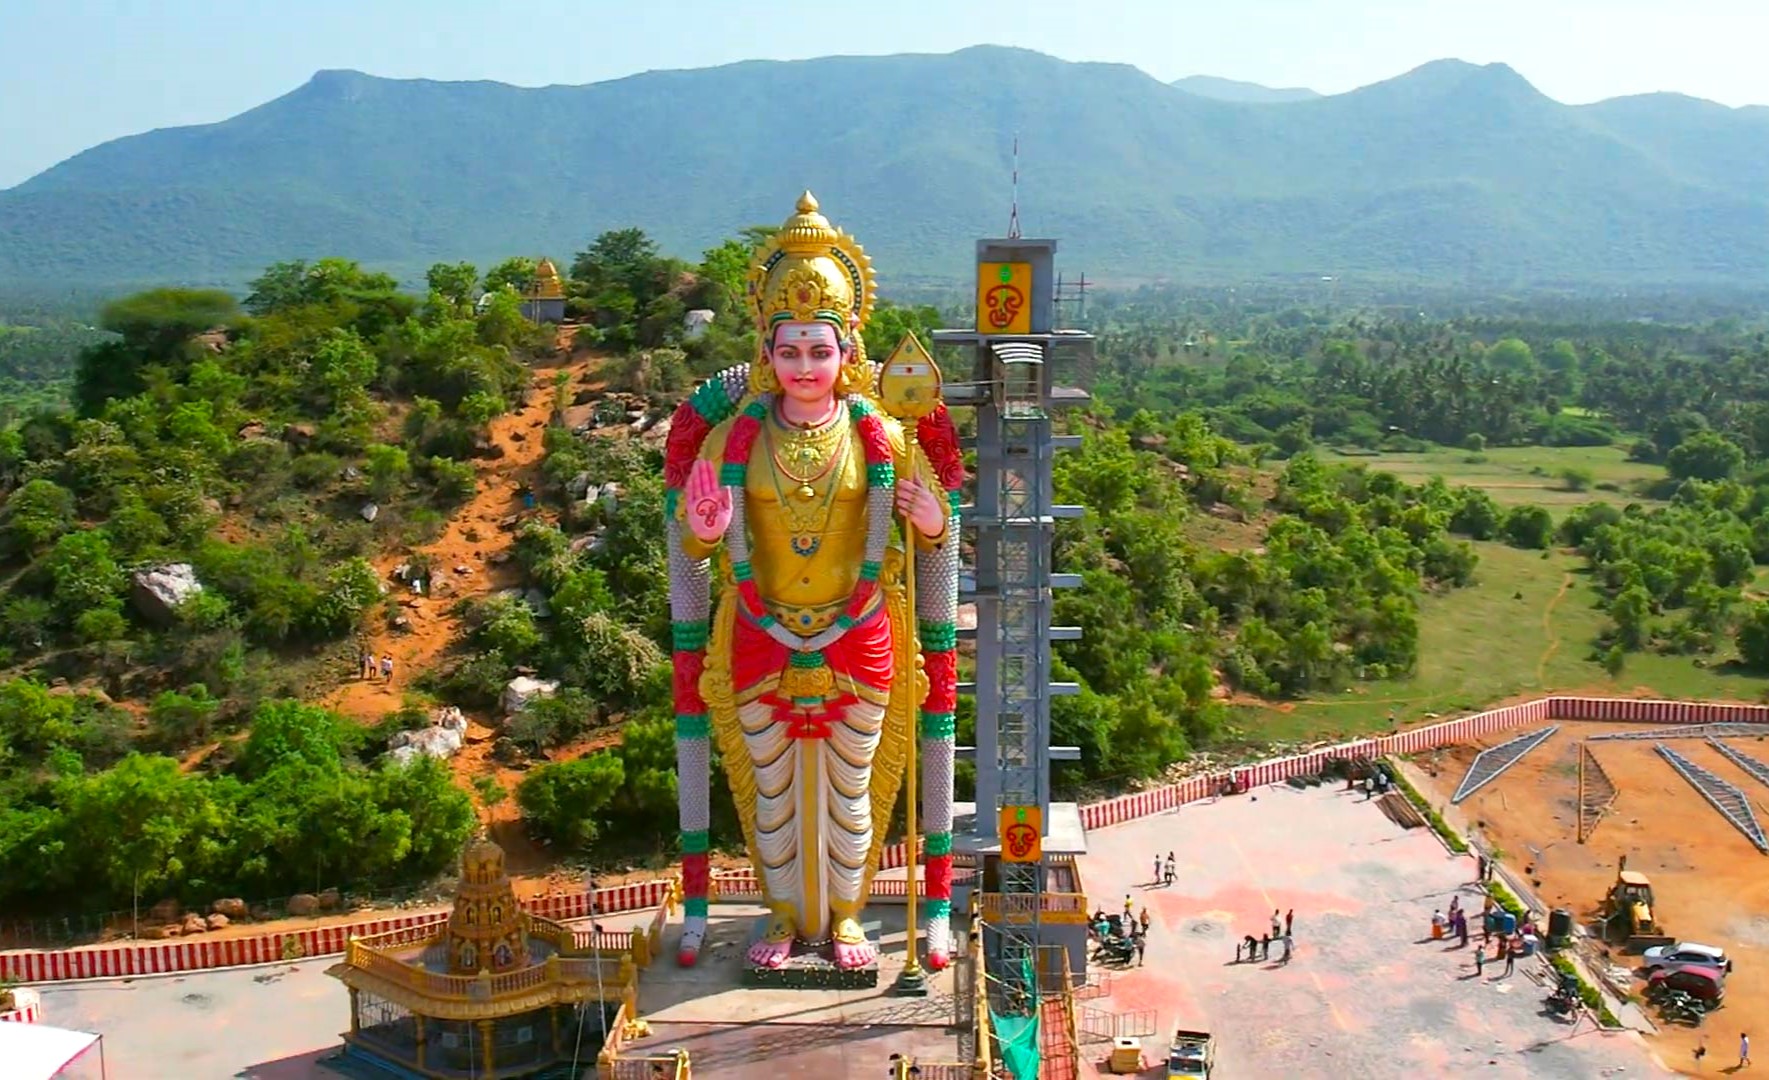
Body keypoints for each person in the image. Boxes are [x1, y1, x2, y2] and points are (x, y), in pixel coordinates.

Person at [667, 194, 961, 974]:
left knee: (850, 788)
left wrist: (932, 519)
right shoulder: (733, 437)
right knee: (771, 792)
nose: (804, 368)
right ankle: (784, 914)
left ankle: (846, 918)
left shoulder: (884, 434)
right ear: (766, 351)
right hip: (759, 629)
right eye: (790, 351)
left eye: (819, 351)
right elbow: (695, 539)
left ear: (846, 348)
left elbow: (933, 535)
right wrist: (702, 528)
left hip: (859, 630)